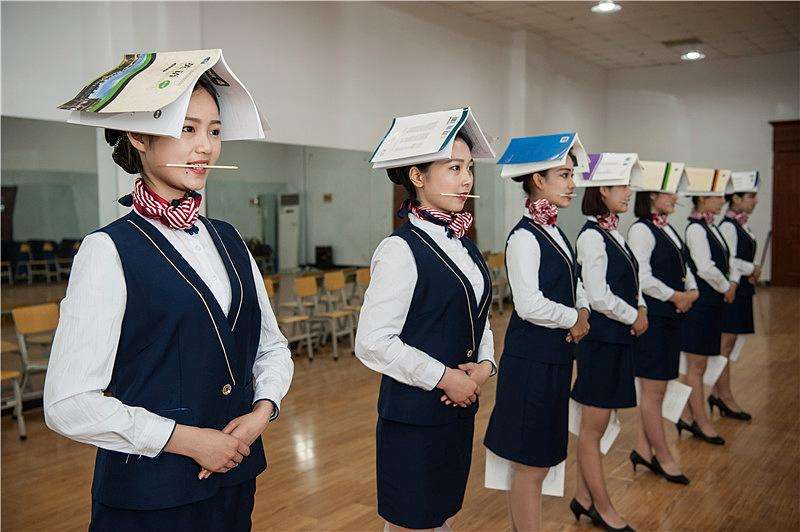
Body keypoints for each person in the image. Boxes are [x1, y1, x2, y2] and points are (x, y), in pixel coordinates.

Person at [44, 57, 293, 531]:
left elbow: (271, 347)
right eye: (187, 128)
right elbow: (67, 403)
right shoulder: (107, 250)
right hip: (149, 497)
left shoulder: (230, 239)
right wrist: (188, 440)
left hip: (235, 480)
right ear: (139, 136)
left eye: (214, 131)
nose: (205, 147)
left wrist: (261, 412)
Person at [355, 109, 496, 531]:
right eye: (454, 168)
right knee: (411, 522)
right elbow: (373, 341)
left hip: (457, 412)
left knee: (439, 517)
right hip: (414, 420)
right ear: (417, 176)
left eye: (469, 168)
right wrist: (446, 378)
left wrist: (485, 366)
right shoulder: (400, 250)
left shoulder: (464, 245)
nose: (466, 179)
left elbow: (480, 318)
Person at [484, 135, 590, 531]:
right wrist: (573, 318)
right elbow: (528, 304)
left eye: (571, 175)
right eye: (564, 175)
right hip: (532, 364)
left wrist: (583, 310)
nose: (572, 184)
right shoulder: (525, 236)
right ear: (538, 180)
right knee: (531, 464)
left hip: (553, 359)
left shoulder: (554, 231)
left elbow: (574, 281)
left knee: (540, 461)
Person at [627, 168, 698, 485]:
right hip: (654, 321)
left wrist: (691, 291)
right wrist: (676, 296)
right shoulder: (641, 231)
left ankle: (643, 449)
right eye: (671, 192)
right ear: (653, 195)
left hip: (670, 319)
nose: (677, 198)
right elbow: (642, 278)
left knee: (659, 390)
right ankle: (664, 456)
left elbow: (683, 265)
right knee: (653, 392)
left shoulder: (667, 228)